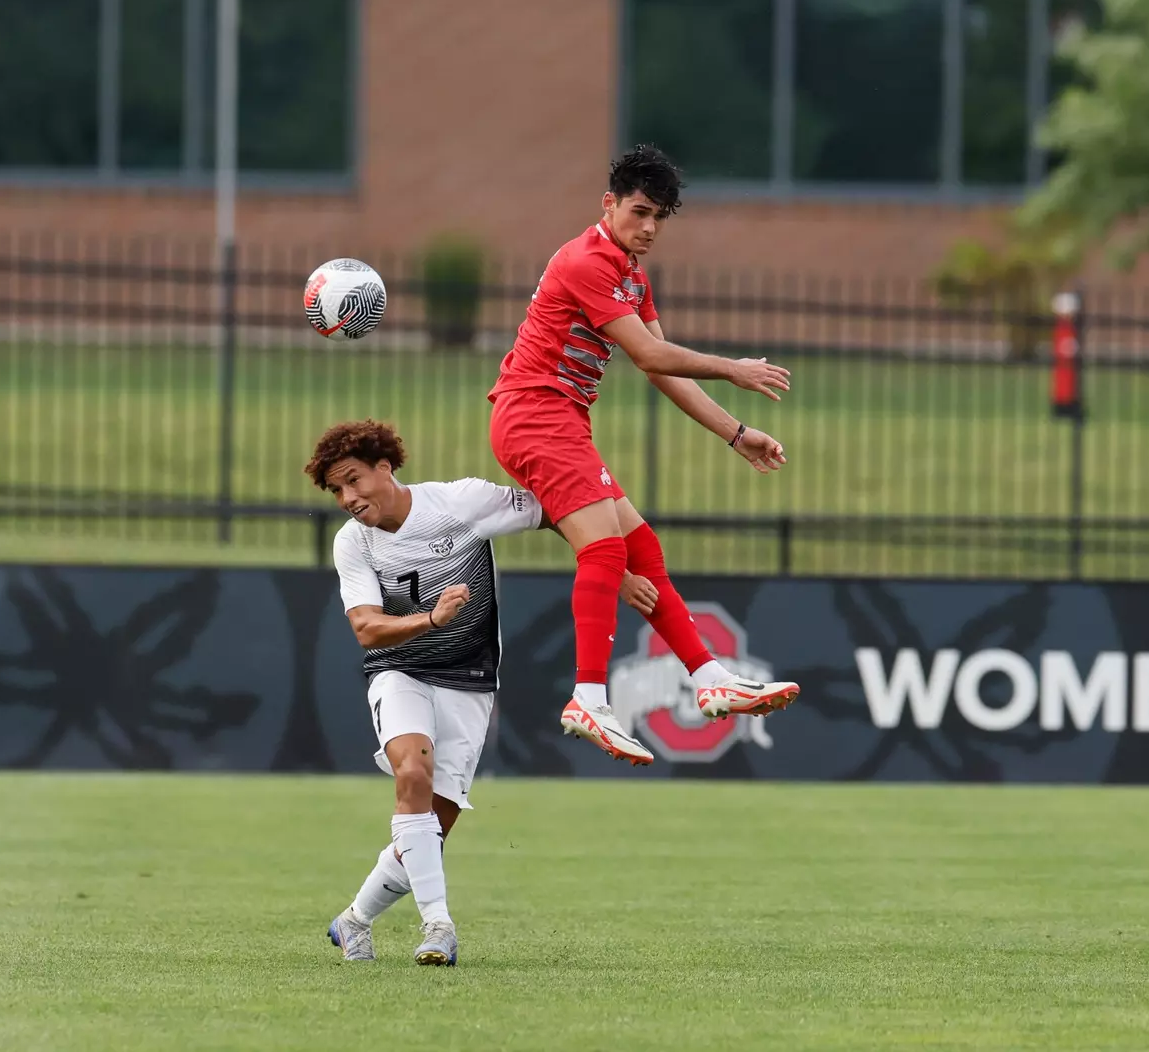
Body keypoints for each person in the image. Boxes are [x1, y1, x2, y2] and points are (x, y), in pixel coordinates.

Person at [487, 143, 801, 767]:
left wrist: (736, 434)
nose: (650, 227)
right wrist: (733, 369)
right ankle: (586, 697)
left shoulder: (630, 271)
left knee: (640, 549)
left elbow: (664, 374)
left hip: (561, 421)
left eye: (660, 216)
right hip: (533, 416)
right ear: (609, 203)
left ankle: (711, 677)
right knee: (604, 546)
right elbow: (653, 357)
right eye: (640, 211)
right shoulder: (587, 261)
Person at [305, 419, 656, 965]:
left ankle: (354, 920)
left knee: (429, 829)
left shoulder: (461, 502)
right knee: (412, 774)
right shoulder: (353, 542)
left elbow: (556, 510)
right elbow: (367, 629)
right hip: (398, 672)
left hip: (469, 681)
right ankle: (438, 926)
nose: (349, 498)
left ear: (385, 467)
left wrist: (614, 566)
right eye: (337, 491)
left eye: (354, 480)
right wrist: (431, 618)